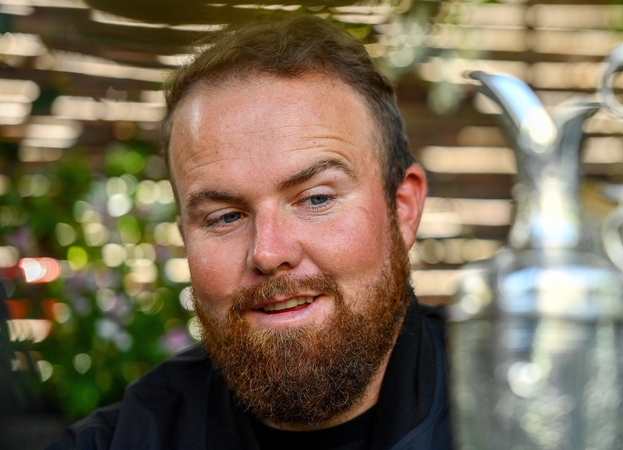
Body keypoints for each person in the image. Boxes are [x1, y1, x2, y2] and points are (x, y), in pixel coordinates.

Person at [49, 14, 451, 450]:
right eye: (225, 217)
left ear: (403, 209)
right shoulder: (120, 441)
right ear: (184, 237)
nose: (268, 252)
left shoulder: (519, 406)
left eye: (316, 199)